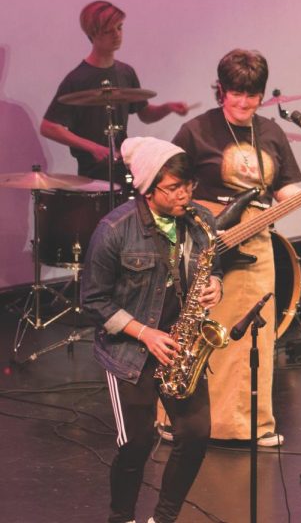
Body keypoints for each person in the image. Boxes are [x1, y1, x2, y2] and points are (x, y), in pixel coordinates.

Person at [159, 48, 301, 447]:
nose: (245, 102)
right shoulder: (196, 131)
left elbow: (284, 186)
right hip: (204, 242)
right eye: (237, 93)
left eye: (253, 95)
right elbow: (168, 183)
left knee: (255, 335)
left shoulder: (270, 132)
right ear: (222, 91)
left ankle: (251, 424)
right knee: (195, 330)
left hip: (256, 241)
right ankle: (176, 420)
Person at [81, 136, 223, 523]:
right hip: (129, 351)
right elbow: (93, 301)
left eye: (188, 185)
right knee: (137, 444)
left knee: (195, 435)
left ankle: (163, 518)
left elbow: (213, 265)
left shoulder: (200, 222)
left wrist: (216, 285)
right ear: (147, 187)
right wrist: (145, 333)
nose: (185, 195)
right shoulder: (114, 230)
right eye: (174, 188)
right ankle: (121, 517)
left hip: (179, 346)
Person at [40, 0, 189, 183]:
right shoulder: (77, 79)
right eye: (109, 31)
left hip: (123, 166)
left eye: (119, 28)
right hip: (92, 173)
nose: (117, 35)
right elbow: (49, 127)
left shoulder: (126, 72)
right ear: (93, 34)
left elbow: (145, 115)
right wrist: (93, 147)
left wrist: (168, 107)